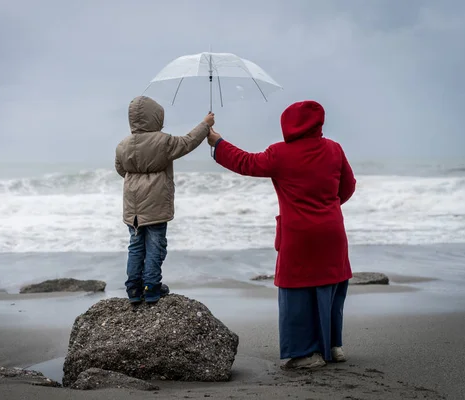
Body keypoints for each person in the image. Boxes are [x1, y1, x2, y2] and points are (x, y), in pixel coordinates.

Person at [207, 100, 356, 369]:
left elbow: (246, 163)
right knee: (329, 287)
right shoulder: (334, 149)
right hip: (332, 231)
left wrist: (217, 143)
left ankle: (305, 354)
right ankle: (333, 346)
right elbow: (348, 187)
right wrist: (327, 208)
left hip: (298, 235)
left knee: (297, 292)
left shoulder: (280, 154)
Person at [115, 96, 215, 304]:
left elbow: (120, 170)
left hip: (132, 207)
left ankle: (133, 289)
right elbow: (187, 142)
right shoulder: (163, 141)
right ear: (155, 117)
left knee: (135, 245)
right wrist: (205, 125)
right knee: (155, 244)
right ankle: (151, 287)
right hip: (156, 204)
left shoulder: (122, 145)